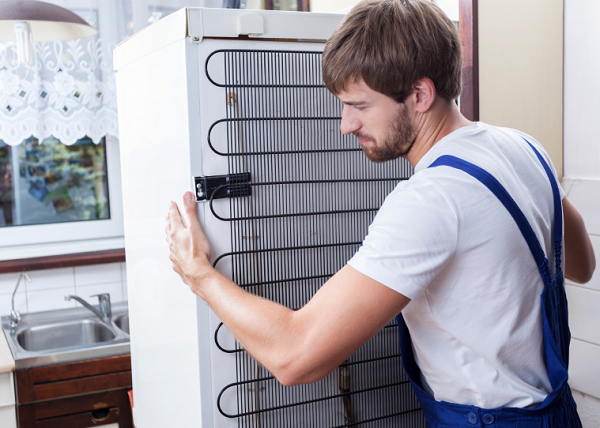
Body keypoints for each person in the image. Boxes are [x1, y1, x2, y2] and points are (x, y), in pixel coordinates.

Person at [166, 0, 596, 426]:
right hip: (557, 413)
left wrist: (198, 273)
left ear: (420, 95)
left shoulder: (430, 199)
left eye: (359, 105)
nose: (345, 124)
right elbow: (581, 265)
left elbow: (294, 357)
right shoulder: (522, 147)